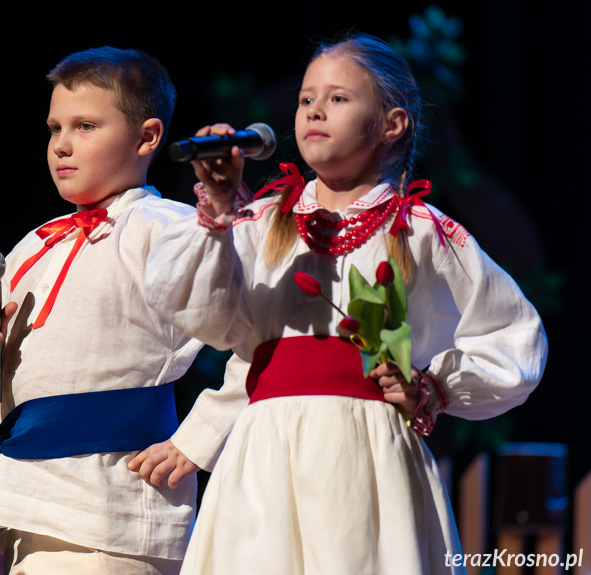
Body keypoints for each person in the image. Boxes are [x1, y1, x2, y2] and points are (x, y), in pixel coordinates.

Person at [142, 33, 548, 574]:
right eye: (307, 99)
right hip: (267, 452)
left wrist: (432, 386)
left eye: (338, 98)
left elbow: (514, 336)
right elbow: (211, 323)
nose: (314, 110)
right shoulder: (261, 221)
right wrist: (219, 209)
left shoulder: (422, 232)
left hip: (368, 451)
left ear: (392, 124)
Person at [0, 46, 214, 575]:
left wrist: (198, 439)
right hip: (27, 502)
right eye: (54, 128)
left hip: (110, 511)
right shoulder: (32, 247)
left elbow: (263, 334)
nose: (62, 146)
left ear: (147, 137)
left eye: (86, 126)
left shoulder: (166, 228)